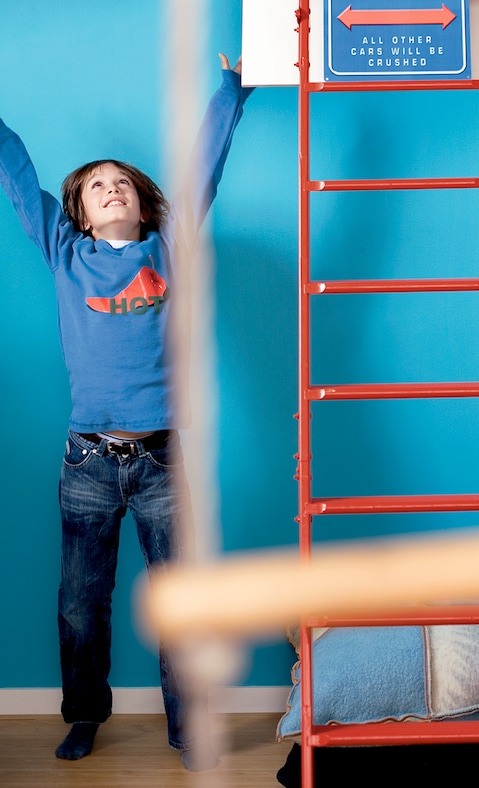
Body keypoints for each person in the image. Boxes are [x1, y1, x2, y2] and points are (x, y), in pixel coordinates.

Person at [0, 54, 253, 770]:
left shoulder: (168, 249)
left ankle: (186, 727)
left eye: (123, 184)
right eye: (96, 187)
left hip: (163, 461)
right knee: (82, 606)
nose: (111, 190)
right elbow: (16, 173)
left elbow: (203, 166)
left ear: (144, 204)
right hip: (86, 462)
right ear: (77, 213)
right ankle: (84, 716)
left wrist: (233, 89)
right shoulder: (63, 252)